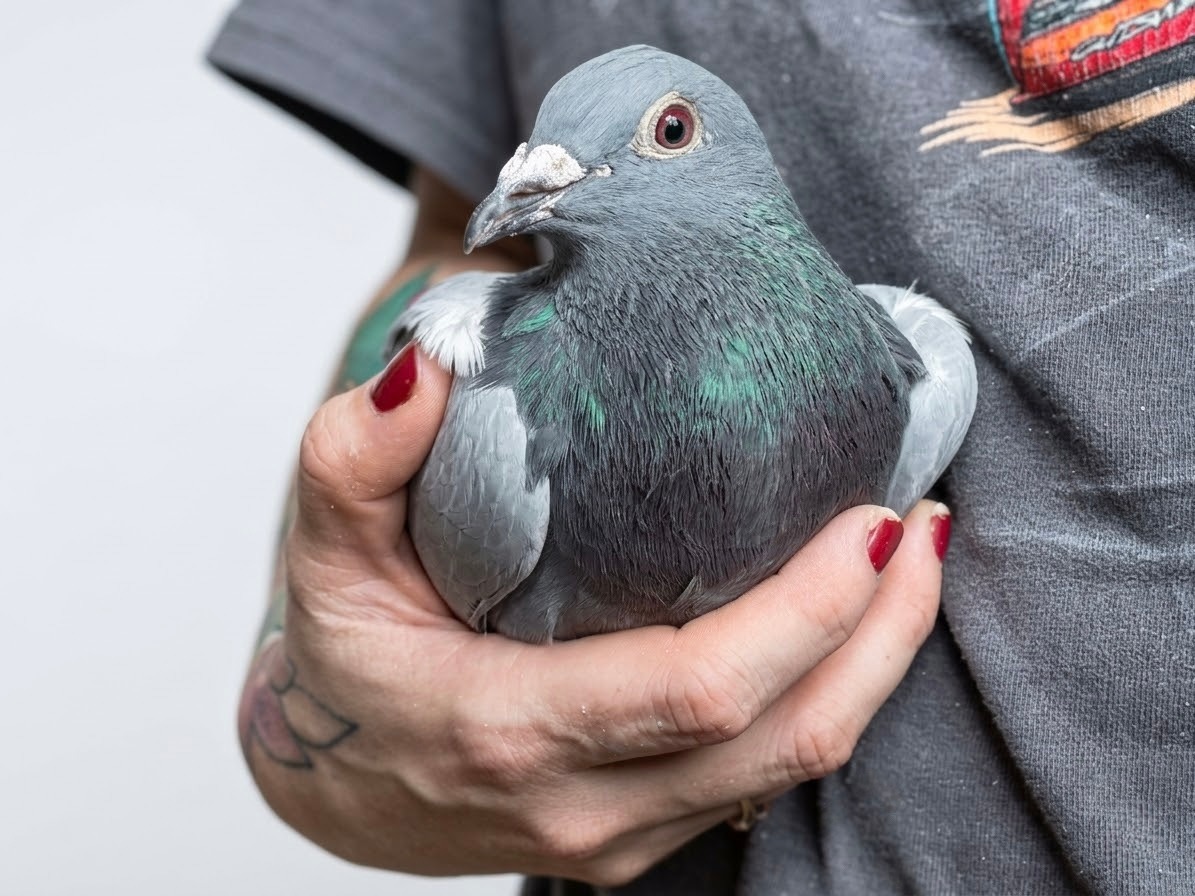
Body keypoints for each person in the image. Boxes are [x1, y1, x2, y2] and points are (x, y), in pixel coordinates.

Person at [209, 2, 1195, 893]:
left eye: (669, 133)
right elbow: (457, 240)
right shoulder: (513, 426)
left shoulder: (910, 368)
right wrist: (331, 701)